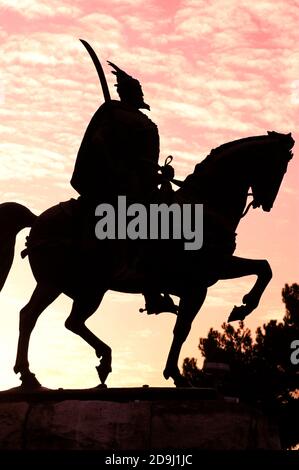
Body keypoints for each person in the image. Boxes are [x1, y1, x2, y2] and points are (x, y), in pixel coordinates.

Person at [70, 61, 177, 315]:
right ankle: (145, 286)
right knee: (142, 218)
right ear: (127, 93)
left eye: (139, 89)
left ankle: (160, 280)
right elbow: (98, 142)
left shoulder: (141, 119)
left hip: (145, 180)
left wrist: (162, 173)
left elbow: (146, 158)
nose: (140, 94)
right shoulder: (113, 114)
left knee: (172, 213)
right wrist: (115, 165)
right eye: (135, 90)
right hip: (120, 182)